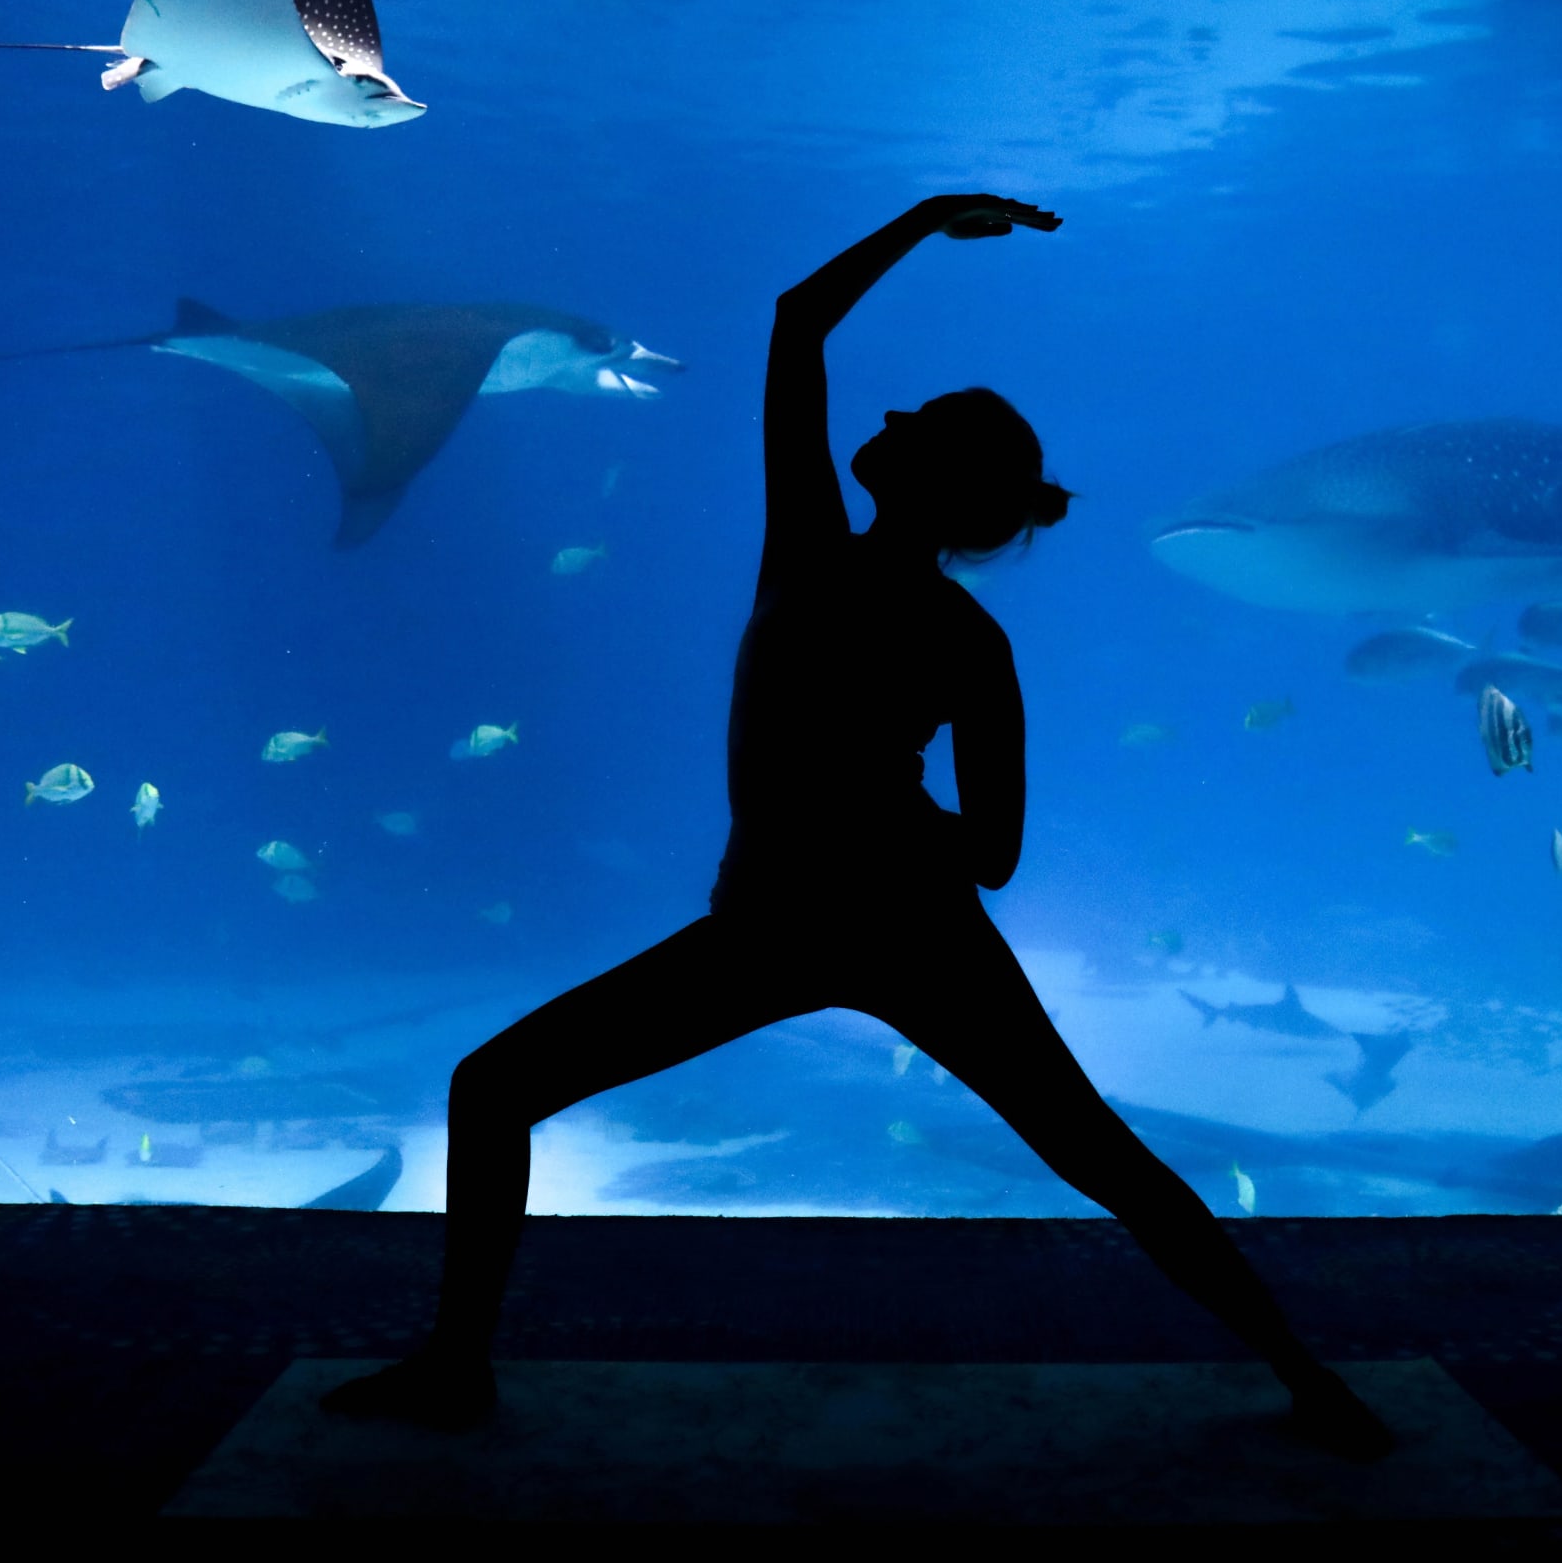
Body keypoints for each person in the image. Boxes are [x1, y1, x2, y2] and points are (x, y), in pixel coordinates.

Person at [325, 194, 1394, 1460]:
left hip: (780, 922)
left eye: (915, 421)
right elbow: (991, 853)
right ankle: (1305, 1378)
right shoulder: (967, 638)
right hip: (901, 929)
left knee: (492, 1089)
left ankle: (457, 1370)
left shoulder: (806, 554)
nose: (883, 421)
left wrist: (924, 224)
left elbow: (798, 325)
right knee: (1098, 1155)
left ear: (933, 476)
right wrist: (886, 831)